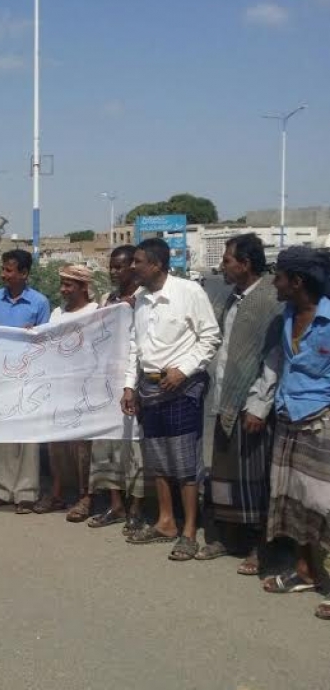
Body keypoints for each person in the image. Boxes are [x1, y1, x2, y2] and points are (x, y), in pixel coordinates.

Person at [121, 238, 221, 560]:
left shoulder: (189, 292)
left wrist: (184, 370)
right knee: (158, 458)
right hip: (149, 388)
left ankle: (189, 530)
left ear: (157, 265)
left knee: (185, 461)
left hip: (182, 387)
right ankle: (166, 522)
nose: (133, 267)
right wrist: (129, 386)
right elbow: (135, 345)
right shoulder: (140, 299)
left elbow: (210, 337)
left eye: (138, 261)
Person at [197, 234, 281, 572]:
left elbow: (273, 359)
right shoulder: (231, 297)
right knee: (224, 475)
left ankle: (261, 547)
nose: (222, 267)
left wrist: (259, 405)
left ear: (245, 264)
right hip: (226, 401)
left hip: (251, 406)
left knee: (255, 479)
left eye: (227, 260)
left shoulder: (269, 299)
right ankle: (227, 538)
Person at [263, 247, 330, 622]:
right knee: (295, 501)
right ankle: (305, 571)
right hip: (288, 416)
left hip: (321, 421)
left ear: (297, 281)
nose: (275, 282)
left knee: (325, 505)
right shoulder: (288, 316)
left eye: (280, 277)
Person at [0, 248, 52, 514]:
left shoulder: (39, 303)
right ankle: (2, 490)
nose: (3, 274)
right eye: (3, 269)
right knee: (1, 437)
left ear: (24, 273)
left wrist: (33, 336)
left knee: (27, 438)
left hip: (28, 379)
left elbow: (46, 342)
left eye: (8, 270)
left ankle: (26, 492)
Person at [87, 245, 146, 534]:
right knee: (108, 443)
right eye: (111, 266)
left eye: (119, 266)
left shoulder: (144, 300)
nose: (113, 271)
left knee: (134, 444)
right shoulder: (108, 300)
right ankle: (115, 503)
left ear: (133, 268)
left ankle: (136, 507)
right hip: (107, 382)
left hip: (134, 381)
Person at [38, 265, 100, 521]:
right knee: (56, 445)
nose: (63, 289)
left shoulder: (97, 312)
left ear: (83, 287)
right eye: (62, 284)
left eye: (68, 285)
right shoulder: (57, 313)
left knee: (82, 446)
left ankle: (86, 496)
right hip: (58, 387)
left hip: (84, 387)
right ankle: (58, 492)